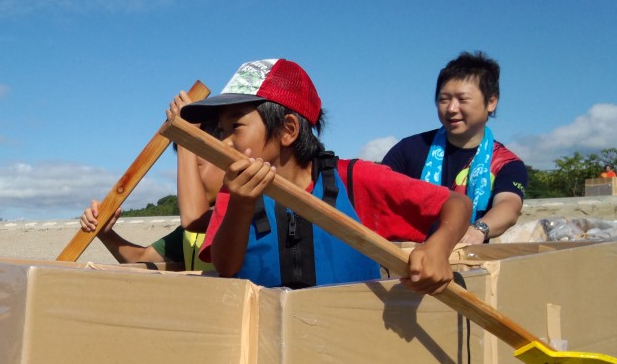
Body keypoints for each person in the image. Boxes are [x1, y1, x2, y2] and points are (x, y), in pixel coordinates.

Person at [179, 58, 471, 295]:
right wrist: (242, 206)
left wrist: (438, 247)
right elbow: (226, 266)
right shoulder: (235, 191)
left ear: (287, 130)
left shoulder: (354, 180)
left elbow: (456, 203)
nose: (224, 142)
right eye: (222, 131)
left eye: (236, 127)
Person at [381, 51, 526, 244]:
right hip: (406, 258)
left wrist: (478, 230)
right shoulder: (408, 149)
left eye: (462, 99)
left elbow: (509, 206)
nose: (451, 108)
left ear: (491, 102)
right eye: (444, 99)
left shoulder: (506, 163)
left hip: (467, 262)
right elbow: (378, 196)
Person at [79, 91, 222, 271]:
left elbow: (194, 217)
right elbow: (141, 258)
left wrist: (185, 135)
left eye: (196, 165)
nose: (188, 179)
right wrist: (104, 233)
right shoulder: (188, 234)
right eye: (185, 168)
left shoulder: (241, 214)